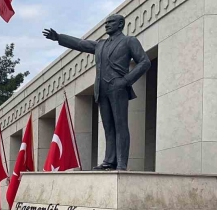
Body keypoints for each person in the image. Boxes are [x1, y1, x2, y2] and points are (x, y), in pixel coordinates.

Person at [43, 15, 150, 171]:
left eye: (110, 23)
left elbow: (145, 61)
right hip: (102, 90)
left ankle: (121, 163)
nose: (106, 26)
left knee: (120, 126)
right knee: (108, 127)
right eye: (105, 23)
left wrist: (126, 81)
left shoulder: (129, 41)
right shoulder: (101, 45)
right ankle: (109, 160)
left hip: (118, 87)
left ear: (120, 24)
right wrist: (59, 37)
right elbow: (81, 44)